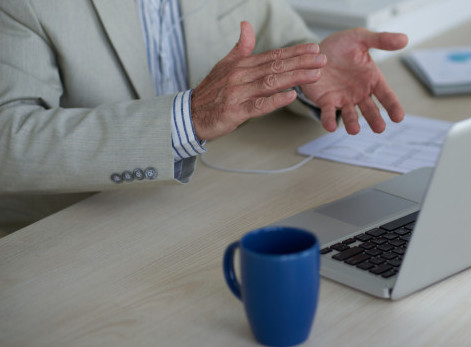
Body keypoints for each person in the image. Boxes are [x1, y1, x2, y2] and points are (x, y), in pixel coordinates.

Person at [0, 0, 408, 232]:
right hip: (75, 232)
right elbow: (8, 139)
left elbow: (277, 34)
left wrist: (310, 67)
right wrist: (187, 119)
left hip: (212, 207)